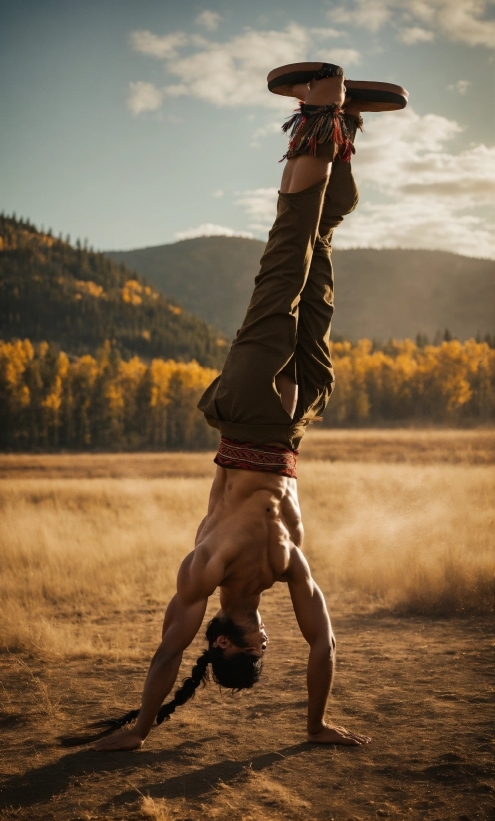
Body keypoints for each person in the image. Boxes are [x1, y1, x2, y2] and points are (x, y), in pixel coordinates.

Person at [94, 62, 407, 752]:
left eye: (250, 654)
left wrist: (141, 726)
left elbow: (168, 653)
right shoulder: (284, 570)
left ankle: (318, 105)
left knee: (284, 261)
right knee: (319, 258)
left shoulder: (204, 571)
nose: (265, 645)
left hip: (244, 413)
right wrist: (316, 722)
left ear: (228, 642)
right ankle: (342, 128)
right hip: (294, 417)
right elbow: (322, 642)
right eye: (264, 653)